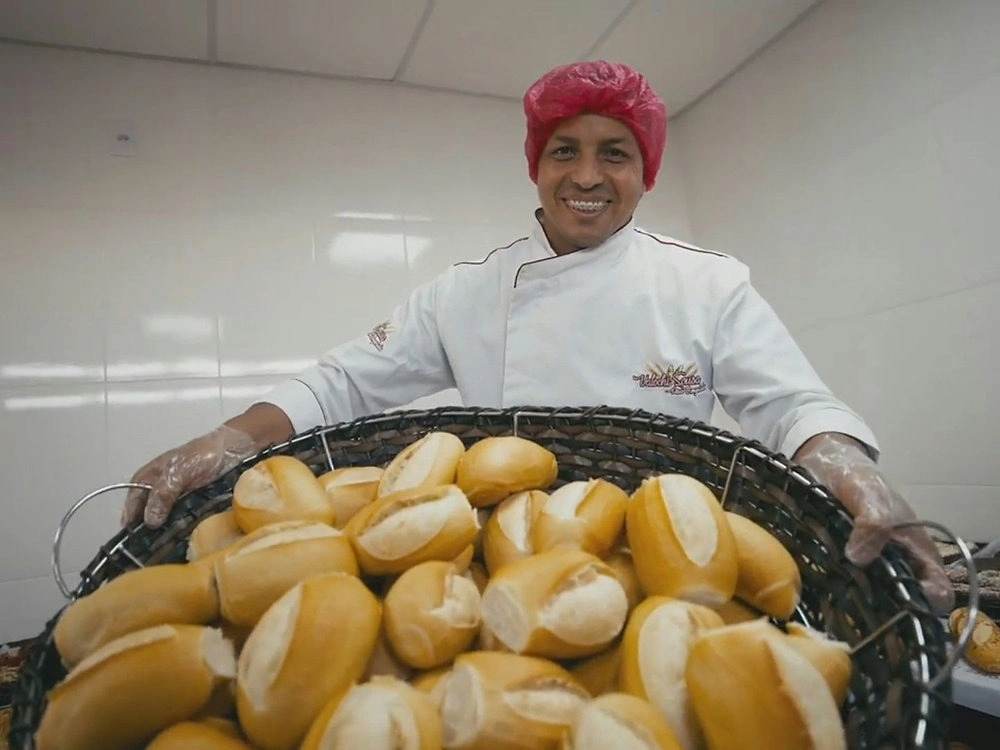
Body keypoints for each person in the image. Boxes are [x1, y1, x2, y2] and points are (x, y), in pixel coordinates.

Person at [121, 60, 952, 612]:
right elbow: (340, 382)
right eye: (566, 150)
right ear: (537, 164)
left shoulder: (705, 282)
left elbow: (792, 404)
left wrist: (851, 470)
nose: (588, 176)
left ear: (644, 172)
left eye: (614, 154)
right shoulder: (466, 291)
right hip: (506, 564)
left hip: (670, 566)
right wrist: (229, 437)